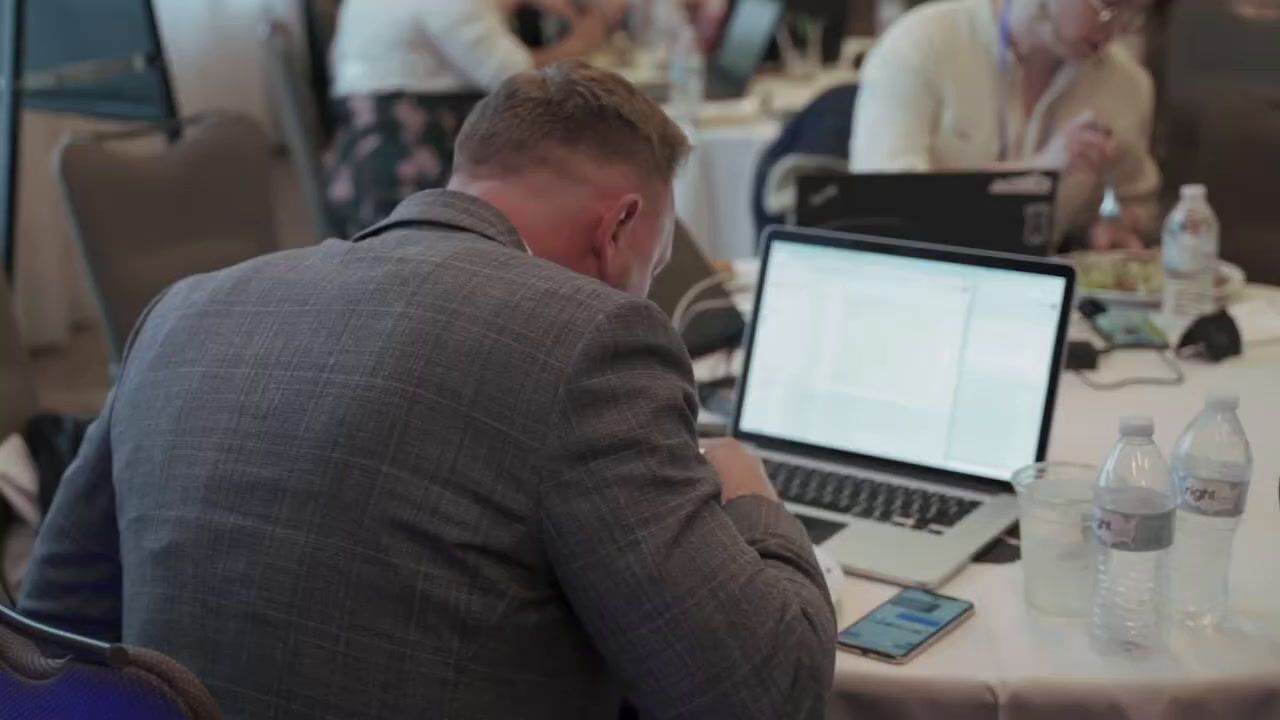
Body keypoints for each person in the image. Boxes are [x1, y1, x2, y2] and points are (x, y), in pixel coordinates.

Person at [20, 62, 836, 720]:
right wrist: (751, 501)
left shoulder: (184, 308)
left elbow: (47, 633)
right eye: (652, 272)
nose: (646, 299)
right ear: (618, 227)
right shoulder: (594, 342)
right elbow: (764, 696)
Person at [850, 0, 1161, 251]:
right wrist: (1036, 171)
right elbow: (880, 204)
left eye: (1136, 12)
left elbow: (1136, 202)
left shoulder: (1128, 85)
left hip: (1047, 294)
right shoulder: (924, 43)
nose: (1118, 28)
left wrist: (1109, 227)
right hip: (918, 282)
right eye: (1109, 6)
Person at [324, 0, 620, 238]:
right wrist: (588, 36)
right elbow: (522, 83)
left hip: (361, 167)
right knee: (574, 179)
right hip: (406, 185)